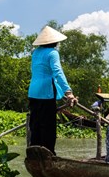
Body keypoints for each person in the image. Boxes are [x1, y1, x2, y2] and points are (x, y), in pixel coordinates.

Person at [27, 26, 77, 155]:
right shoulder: (52, 53)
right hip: (46, 92)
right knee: (48, 125)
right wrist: (68, 92)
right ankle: (48, 153)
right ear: (54, 42)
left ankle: (34, 151)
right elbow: (57, 72)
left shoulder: (36, 53)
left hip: (33, 91)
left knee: (35, 124)